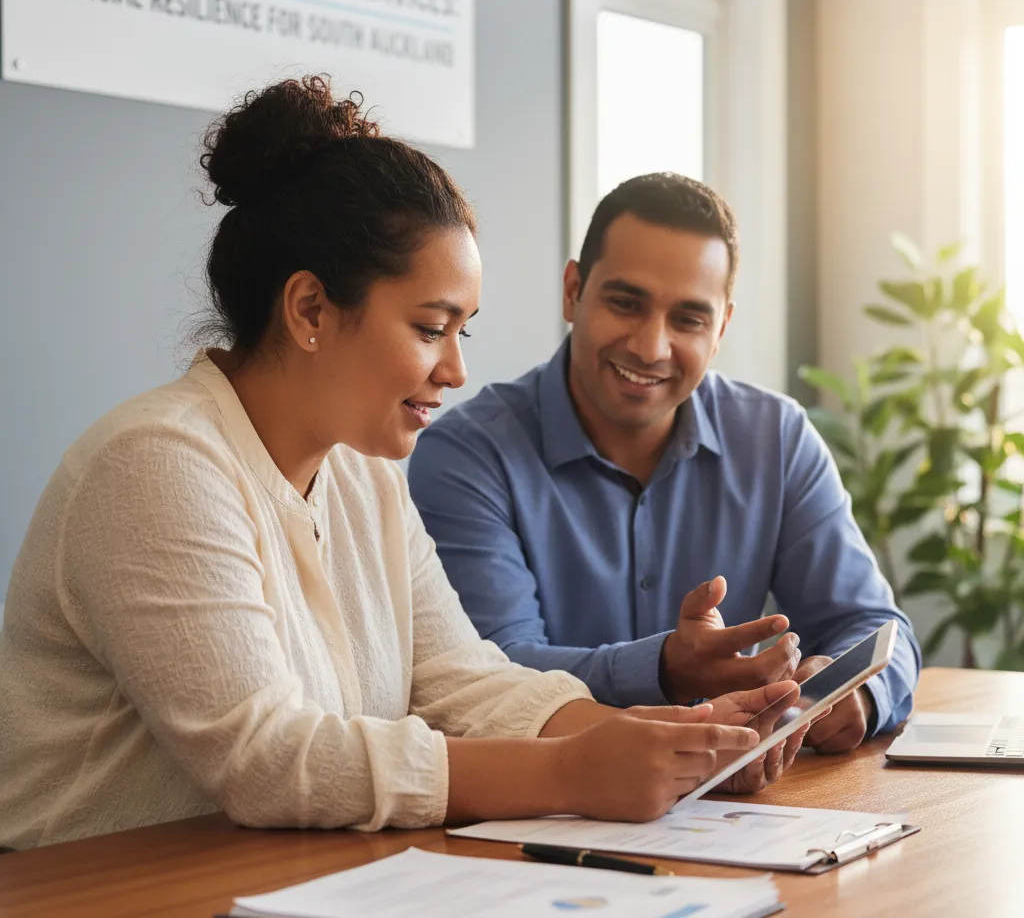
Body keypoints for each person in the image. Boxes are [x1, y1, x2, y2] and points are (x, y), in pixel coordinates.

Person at [0, 82, 804, 851]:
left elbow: (460, 678)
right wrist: (567, 770)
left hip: (281, 881)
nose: (455, 370)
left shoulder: (361, 472)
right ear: (310, 309)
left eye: (465, 333)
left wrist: (668, 740)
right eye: (430, 328)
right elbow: (270, 761)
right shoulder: (157, 465)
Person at [409, 172, 922, 753]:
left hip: (739, 810)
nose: (651, 347)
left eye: (689, 320)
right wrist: (663, 668)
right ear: (573, 292)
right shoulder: (466, 454)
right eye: (627, 304)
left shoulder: (776, 438)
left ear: (722, 326)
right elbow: (489, 672)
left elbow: (878, 628)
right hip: (540, 809)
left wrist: (848, 693)